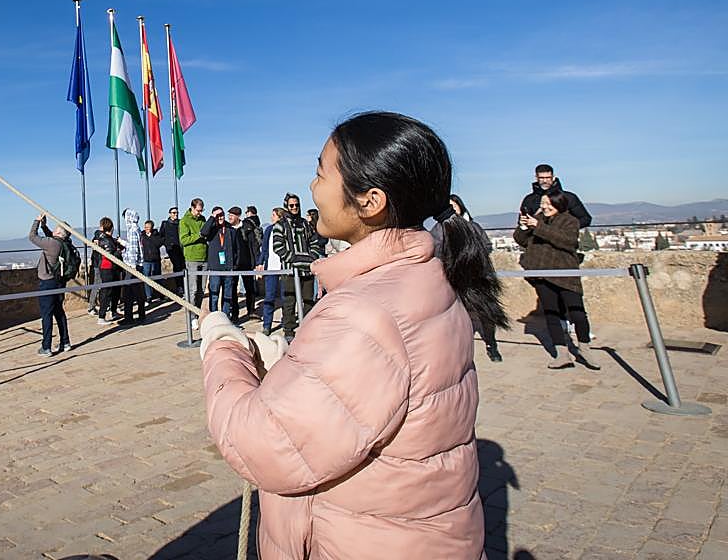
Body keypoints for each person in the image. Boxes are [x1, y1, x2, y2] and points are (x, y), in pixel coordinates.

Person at [199, 111, 506, 558]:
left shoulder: (363, 311)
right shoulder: (428, 276)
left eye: (321, 173)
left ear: (370, 201)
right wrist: (293, 365)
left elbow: (262, 444)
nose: (312, 187)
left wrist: (223, 346)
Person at [514, 193, 599, 369]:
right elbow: (522, 241)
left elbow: (567, 241)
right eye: (543, 203)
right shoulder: (537, 219)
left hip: (565, 275)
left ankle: (584, 349)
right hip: (542, 274)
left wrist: (539, 226)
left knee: (578, 314)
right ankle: (562, 354)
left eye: (547, 203)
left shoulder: (570, 221)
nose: (544, 206)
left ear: (558, 204)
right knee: (551, 314)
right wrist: (523, 227)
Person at [431, 194, 504, 362]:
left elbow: (486, 245)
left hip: (478, 276)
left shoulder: (473, 226)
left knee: (486, 313)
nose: (452, 208)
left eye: (454, 205)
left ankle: (491, 344)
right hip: (455, 278)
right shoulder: (438, 230)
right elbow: (436, 251)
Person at [271, 193, 323, 340]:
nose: (294, 208)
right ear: (286, 206)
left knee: (308, 300)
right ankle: (288, 331)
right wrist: (293, 259)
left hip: (307, 270)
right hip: (290, 270)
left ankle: (307, 328)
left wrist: (311, 257)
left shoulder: (305, 224)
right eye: (291, 205)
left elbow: (314, 242)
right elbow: (278, 247)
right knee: (289, 301)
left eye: (297, 205)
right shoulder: (280, 225)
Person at [27, 215, 72, 356]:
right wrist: (44, 226)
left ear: (58, 232)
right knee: (59, 312)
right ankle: (65, 342)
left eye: (56, 229)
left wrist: (36, 221)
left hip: (47, 283)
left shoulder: (52, 244)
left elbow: (32, 237)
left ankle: (46, 347)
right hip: (59, 282)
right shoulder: (65, 243)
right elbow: (50, 237)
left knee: (47, 315)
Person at [200, 206, 244, 317]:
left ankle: (225, 317)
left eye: (222, 215)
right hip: (215, 268)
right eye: (218, 216)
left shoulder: (231, 230)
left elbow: (237, 248)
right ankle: (214, 317)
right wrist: (212, 217)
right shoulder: (211, 229)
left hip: (228, 267)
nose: (220, 218)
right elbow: (203, 232)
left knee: (227, 295)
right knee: (214, 295)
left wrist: (235, 264)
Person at [520, 163, 592, 228]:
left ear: (553, 177)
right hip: (537, 241)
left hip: (563, 241)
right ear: (536, 178)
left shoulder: (568, 197)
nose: (545, 181)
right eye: (541, 178)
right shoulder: (529, 199)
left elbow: (586, 219)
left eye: (548, 177)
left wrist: (566, 229)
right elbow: (523, 222)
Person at [255, 207, 285, 335]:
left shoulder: (285, 229)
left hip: (284, 267)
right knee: (269, 297)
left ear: (279, 216)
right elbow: (264, 248)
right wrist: (260, 263)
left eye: (273, 215)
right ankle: (267, 324)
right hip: (271, 267)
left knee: (286, 296)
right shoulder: (268, 230)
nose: (271, 217)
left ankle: (286, 321)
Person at [179, 198, 209, 322]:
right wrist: (199, 235)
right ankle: (191, 316)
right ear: (192, 208)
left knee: (201, 289)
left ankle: (197, 312)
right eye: (198, 210)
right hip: (192, 258)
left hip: (204, 257)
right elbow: (184, 240)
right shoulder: (184, 221)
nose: (199, 213)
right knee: (193, 289)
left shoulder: (203, 219)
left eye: (201, 211)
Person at [227, 206, 257, 320]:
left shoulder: (247, 227)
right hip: (233, 264)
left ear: (238, 216)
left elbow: (253, 244)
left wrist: (256, 261)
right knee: (232, 289)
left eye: (232, 215)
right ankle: (235, 314)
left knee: (250, 288)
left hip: (246, 262)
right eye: (228, 215)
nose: (229, 217)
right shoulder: (228, 229)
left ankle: (251, 311)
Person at [94, 217, 123, 325]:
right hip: (107, 268)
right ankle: (101, 316)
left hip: (113, 268)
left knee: (116, 290)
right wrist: (119, 252)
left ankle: (113, 311)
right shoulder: (105, 239)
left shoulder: (108, 238)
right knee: (107, 292)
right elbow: (111, 253)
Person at [120, 208, 147, 324]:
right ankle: (141, 315)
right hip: (138, 265)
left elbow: (133, 250)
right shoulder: (137, 229)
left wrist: (131, 265)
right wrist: (122, 242)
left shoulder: (132, 230)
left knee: (128, 293)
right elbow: (133, 245)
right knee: (139, 292)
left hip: (132, 266)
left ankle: (128, 318)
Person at [238, 206, 263, 317]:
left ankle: (242, 312)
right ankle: (251, 310)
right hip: (253, 257)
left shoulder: (246, 224)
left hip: (245, 257)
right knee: (250, 285)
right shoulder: (256, 223)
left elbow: (247, 242)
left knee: (247, 286)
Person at [139, 219, 164, 302]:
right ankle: (148, 296)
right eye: (145, 227)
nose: (146, 229)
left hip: (155, 260)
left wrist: (151, 236)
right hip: (146, 260)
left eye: (148, 227)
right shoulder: (142, 235)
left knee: (158, 277)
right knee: (146, 278)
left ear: (152, 228)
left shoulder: (156, 235)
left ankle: (160, 294)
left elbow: (158, 243)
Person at [159, 206, 185, 278]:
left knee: (182, 266)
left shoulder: (180, 223)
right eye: (174, 213)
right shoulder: (165, 224)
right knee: (177, 266)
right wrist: (167, 244)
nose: (175, 214)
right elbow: (161, 235)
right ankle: (179, 285)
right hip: (171, 248)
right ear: (170, 214)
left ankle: (183, 284)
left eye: (177, 213)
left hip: (181, 248)